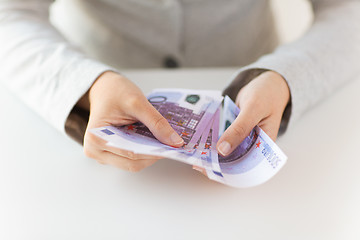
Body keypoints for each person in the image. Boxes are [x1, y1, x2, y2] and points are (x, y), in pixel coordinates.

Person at [0, 0, 359, 172]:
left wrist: (286, 77)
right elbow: (10, 14)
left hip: (256, 80)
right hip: (97, 80)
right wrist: (84, 85)